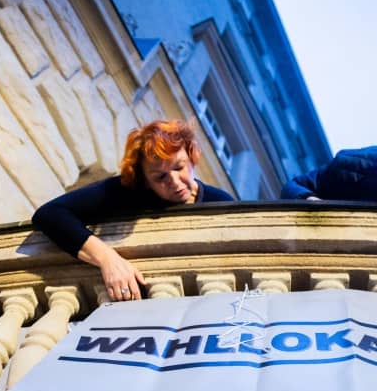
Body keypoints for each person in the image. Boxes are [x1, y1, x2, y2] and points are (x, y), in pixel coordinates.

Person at [33, 119, 235, 302]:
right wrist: (107, 258)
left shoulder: (222, 202)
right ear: (145, 181)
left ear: (191, 157)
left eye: (179, 167)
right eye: (160, 177)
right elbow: (50, 214)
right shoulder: (125, 192)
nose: (174, 182)